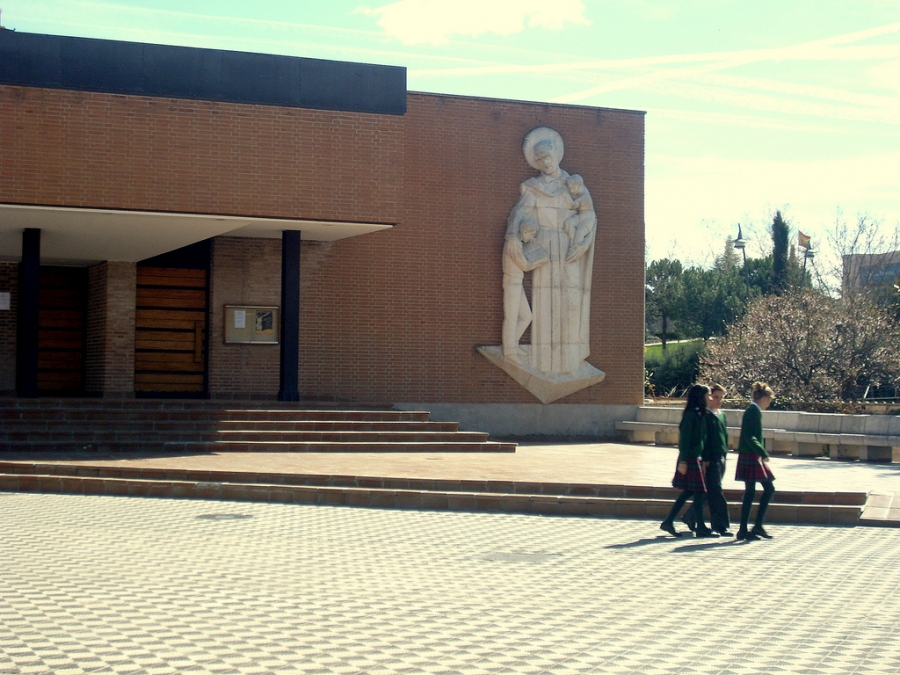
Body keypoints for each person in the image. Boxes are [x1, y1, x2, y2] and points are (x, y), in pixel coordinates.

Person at [507, 128, 597, 376]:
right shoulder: (533, 188)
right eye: (540, 159)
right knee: (546, 304)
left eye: (548, 156)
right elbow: (519, 214)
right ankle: (546, 364)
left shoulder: (574, 185)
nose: (545, 163)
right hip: (545, 247)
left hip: (569, 248)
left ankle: (569, 362)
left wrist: (582, 243)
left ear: (556, 154)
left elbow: (588, 215)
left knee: (570, 304)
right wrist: (513, 236)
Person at [660, 384, 717, 538]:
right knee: (697, 492)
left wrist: (704, 458)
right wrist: (683, 461)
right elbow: (684, 441)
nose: (710, 398)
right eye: (708, 395)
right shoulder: (691, 415)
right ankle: (700, 527)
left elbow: (703, 440)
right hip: (689, 458)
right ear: (701, 397)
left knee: (690, 493)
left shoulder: (700, 414)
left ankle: (669, 521)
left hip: (696, 458)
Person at [683, 383, 732, 535]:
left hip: (721, 456)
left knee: (710, 491)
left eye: (721, 398)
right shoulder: (706, 416)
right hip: (710, 458)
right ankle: (720, 525)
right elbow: (705, 439)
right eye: (715, 397)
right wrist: (705, 458)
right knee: (716, 491)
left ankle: (690, 516)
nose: (718, 400)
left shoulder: (721, 415)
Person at [502, 220, 549, 362]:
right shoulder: (514, 244)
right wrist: (541, 260)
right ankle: (509, 352)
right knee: (511, 318)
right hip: (511, 283)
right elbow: (525, 265)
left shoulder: (516, 242)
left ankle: (513, 345)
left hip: (517, 283)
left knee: (527, 317)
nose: (532, 238)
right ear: (525, 232)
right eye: (532, 234)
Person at [735, 382, 777, 541]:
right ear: (765, 398)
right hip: (751, 455)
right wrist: (762, 452)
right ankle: (749, 527)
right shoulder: (753, 411)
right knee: (765, 489)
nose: (770, 403)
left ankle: (749, 528)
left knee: (753, 492)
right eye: (770, 400)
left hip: (751, 455)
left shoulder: (754, 410)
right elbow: (749, 436)